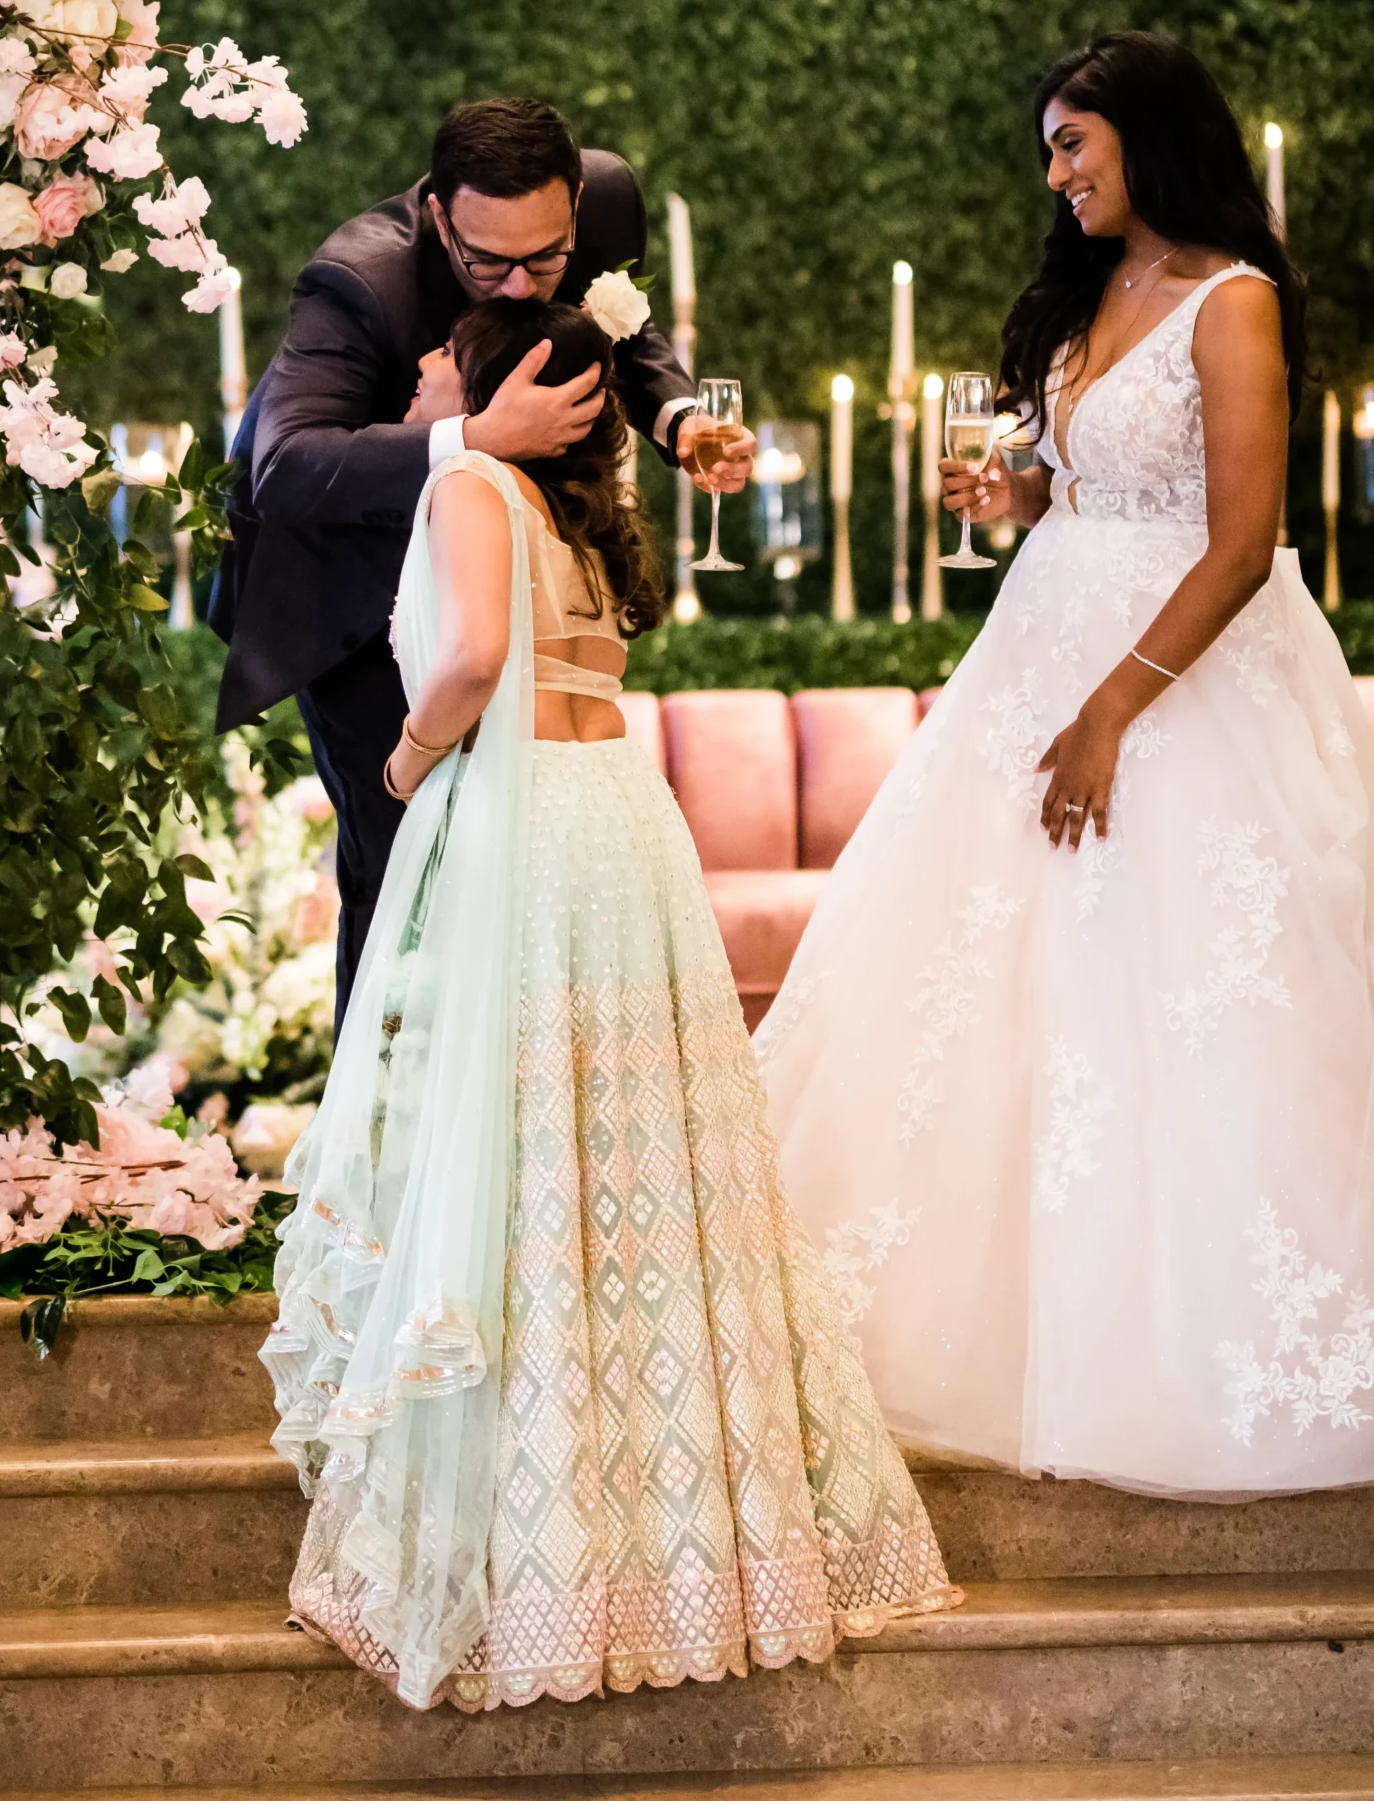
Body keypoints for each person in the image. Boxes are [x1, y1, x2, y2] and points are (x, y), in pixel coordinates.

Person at [260, 296, 956, 1713]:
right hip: (619, 819)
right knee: (639, 1149)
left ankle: (543, 1521)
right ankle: (695, 1511)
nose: (424, 365)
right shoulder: (574, 510)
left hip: (523, 821)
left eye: (445, 351)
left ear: (497, 375)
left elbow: (469, 662)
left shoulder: (469, 484)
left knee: (520, 1146)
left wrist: (400, 765)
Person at [755, 32, 1374, 1497]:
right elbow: (1087, 487)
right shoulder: (1091, 290)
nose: (1053, 173)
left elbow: (1239, 544)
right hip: (1035, 658)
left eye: (1072, 143)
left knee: (1190, 987)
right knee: (995, 975)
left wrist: (1117, 705)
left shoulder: (1234, 302)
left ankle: (1194, 1346)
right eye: (1049, 149)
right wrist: (1013, 490)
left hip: (1185, 686)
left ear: (1147, 135)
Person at [210, 97, 754, 1029]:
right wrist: (474, 438)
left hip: (499, 566)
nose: (517, 287)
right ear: (437, 215)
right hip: (358, 592)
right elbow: (286, 466)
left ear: (575, 204)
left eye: (544, 259)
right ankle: (383, 1107)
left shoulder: (603, 206)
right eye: (486, 262)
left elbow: (622, 335)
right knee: (406, 870)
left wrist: (678, 421)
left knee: (512, 869)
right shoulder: (357, 280)